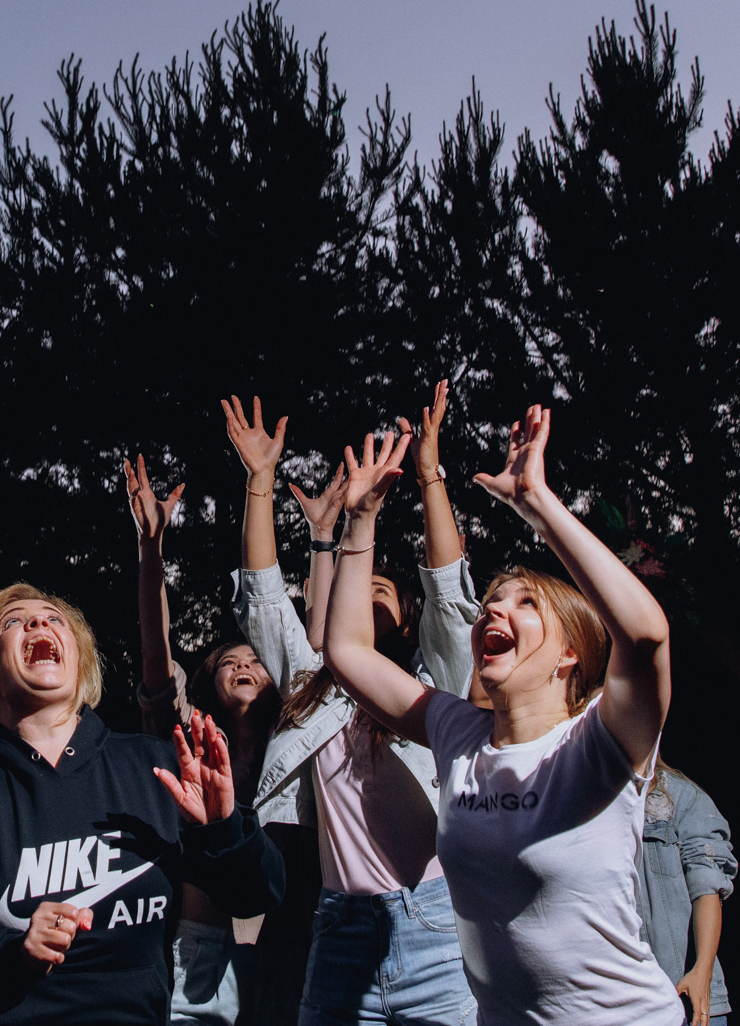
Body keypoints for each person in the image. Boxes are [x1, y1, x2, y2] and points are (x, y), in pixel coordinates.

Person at [324, 403, 681, 1026]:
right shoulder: (459, 733)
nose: (494, 611)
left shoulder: (603, 742)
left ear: (571, 654)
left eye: (526, 604)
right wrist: (360, 522)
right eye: (491, 602)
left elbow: (647, 636)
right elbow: (347, 651)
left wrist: (537, 504)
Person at [0, 583, 285, 1026]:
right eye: (13, 622)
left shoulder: (157, 768)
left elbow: (259, 894)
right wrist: (13, 954)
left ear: (79, 658)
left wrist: (223, 830)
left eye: (55, 619)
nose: (39, 622)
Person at [225, 392, 478, 1026]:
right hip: (338, 925)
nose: (367, 592)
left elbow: (450, 596)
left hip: (435, 918)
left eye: (384, 590)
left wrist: (428, 475)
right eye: (359, 585)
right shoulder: (312, 683)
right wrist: (260, 483)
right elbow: (262, 596)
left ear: (404, 616)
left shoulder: (432, 683)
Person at [125, 450, 272, 1026]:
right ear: (209, 678)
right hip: (200, 942)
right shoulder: (187, 734)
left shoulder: (295, 742)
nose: (243, 666)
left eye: (256, 661)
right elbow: (157, 662)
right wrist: (150, 551)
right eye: (228, 660)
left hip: (289, 940)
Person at [636, 763, 736, 1026]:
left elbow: (707, 886)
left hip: (684, 998)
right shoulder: (579, 802)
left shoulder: (681, 798)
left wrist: (702, 971)